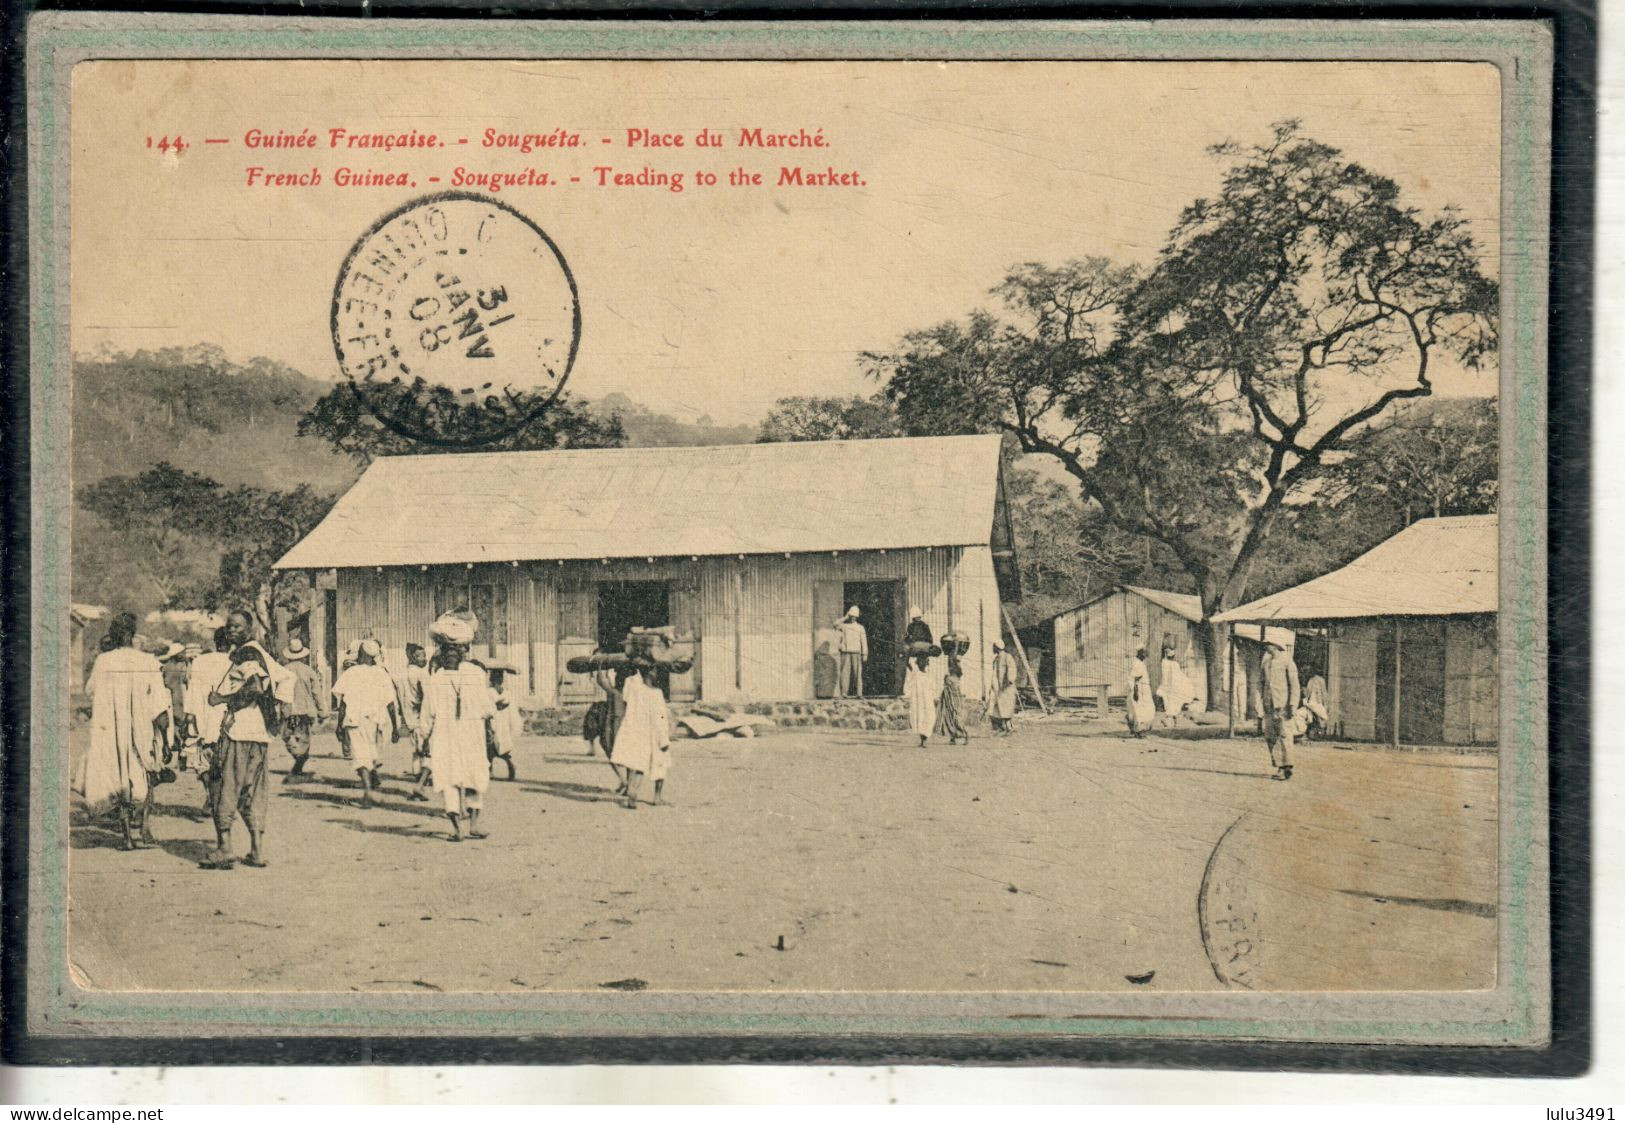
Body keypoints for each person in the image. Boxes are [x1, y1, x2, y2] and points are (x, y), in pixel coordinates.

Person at [203, 610, 293, 869]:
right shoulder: (261, 653)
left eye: (237, 627)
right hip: (259, 733)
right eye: (229, 627)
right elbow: (285, 680)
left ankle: (224, 848)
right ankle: (256, 851)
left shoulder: (247, 654)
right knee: (253, 790)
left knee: (224, 786)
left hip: (239, 731)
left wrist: (223, 700)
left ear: (250, 628)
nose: (231, 631)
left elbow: (254, 686)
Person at [74, 613, 170, 850]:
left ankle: (126, 836)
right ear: (131, 634)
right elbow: (160, 706)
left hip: (112, 731)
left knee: (118, 778)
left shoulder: (104, 661)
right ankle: (142, 829)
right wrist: (166, 738)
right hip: (141, 730)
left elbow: (91, 691)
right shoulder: (148, 662)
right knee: (142, 775)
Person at [420, 616, 496, 840]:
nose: (452, 654)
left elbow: (427, 715)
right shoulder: (469, 675)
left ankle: (462, 828)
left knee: (460, 778)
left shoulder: (461, 676)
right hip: (459, 733)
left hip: (456, 734)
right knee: (463, 777)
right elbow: (487, 708)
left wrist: (424, 736)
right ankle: (465, 827)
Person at [330, 638, 401, 808]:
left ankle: (368, 790)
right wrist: (396, 727)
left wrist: (339, 724)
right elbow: (390, 703)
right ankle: (371, 782)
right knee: (370, 754)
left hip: (355, 719)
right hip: (376, 721)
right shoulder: (382, 673)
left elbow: (343, 702)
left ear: (361, 654)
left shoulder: (351, 673)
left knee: (361, 756)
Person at [609, 659, 673, 809]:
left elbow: (625, 698)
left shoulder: (632, 686)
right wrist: (664, 739)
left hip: (637, 730)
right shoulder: (656, 693)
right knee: (661, 762)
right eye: (655, 671)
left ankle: (632, 789)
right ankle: (657, 797)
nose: (657, 674)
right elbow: (661, 718)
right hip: (654, 733)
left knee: (636, 763)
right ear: (650, 673)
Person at [185, 627, 232, 817]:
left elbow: (193, 691)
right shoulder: (234, 662)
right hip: (226, 719)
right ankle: (217, 798)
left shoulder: (199, 662)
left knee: (202, 763)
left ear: (215, 641)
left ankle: (211, 796)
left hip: (203, 718)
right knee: (225, 762)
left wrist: (189, 716)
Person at [278, 638, 327, 782]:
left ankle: (297, 765)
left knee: (289, 737)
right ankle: (298, 765)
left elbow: (277, 691)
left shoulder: (283, 671)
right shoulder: (309, 671)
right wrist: (322, 711)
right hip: (305, 711)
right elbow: (317, 693)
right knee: (303, 739)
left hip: (288, 710)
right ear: (303, 655)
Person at [1259, 640, 1301, 781]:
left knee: (1284, 735)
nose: (1265, 646)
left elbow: (1294, 685)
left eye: (1268, 643)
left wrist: (1292, 704)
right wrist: (1260, 703)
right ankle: (1280, 765)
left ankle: (1286, 767)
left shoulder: (1287, 662)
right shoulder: (1266, 663)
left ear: (1276, 645)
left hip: (1283, 705)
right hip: (1269, 705)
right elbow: (1262, 684)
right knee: (1270, 735)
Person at [396, 643, 432, 800]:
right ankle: (419, 786)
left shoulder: (401, 675)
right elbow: (427, 697)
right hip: (421, 716)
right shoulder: (422, 674)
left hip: (409, 718)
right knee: (428, 752)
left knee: (417, 751)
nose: (425, 658)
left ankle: (420, 781)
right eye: (420, 656)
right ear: (412, 657)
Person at [485, 663, 522, 781]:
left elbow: (510, 709)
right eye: (497, 677)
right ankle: (489, 771)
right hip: (497, 722)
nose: (498, 680)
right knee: (492, 748)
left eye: (499, 677)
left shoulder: (500, 692)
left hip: (500, 722)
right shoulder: (494, 692)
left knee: (497, 747)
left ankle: (509, 768)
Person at [1156, 642, 1198, 727]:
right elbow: (1177, 676)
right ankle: (1171, 721)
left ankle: (1171, 721)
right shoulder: (1173, 664)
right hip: (1171, 687)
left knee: (1170, 704)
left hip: (1168, 687)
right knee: (1172, 704)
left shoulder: (1164, 663)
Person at [933, 650, 970, 745]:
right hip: (951, 698)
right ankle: (953, 737)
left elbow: (949, 686)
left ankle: (963, 735)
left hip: (951, 699)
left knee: (953, 718)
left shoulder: (951, 678)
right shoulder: (956, 677)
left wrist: (945, 679)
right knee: (950, 717)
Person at [904, 650, 937, 748]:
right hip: (918, 701)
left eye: (927, 661)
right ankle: (923, 740)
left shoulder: (929, 674)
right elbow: (907, 663)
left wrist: (934, 697)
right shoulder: (916, 672)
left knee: (928, 717)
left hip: (927, 701)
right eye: (924, 661)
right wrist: (909, 652)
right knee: (920, 717)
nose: (926, 663)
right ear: (919, 663)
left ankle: (925, 739)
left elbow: (933, 688)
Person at [834, 606, 868, 699]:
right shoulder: (844, 626)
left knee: (857, 673)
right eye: (851, 616)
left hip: (856, 652)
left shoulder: (860, 627)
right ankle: (843, 693)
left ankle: (859, 694)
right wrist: (845, 617)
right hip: (846, 652)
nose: (853, 617)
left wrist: (865, 653)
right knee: (844, 673)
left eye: (854, 616)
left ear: (856, 617)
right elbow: (835, 624)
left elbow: (863, 641)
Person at [987, 640, 1018, 735]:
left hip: (1006, 687)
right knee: (995, 707)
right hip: (997, 687)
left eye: (994, 647)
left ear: (997, 647)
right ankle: (1001, 727)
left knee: (1005, 707)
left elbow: (1012, 669)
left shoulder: (1007, 657)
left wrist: (1009, 680)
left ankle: (1008, 728)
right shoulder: (996, 659)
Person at [1127, 648, 1156, 737]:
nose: (1145, 656)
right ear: (1140, 653)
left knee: (1145, 709)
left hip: (1144, 689)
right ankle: (1138, 731)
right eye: (1144, 654)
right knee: (1140, 710)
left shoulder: (1140, 663)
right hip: (1140, 690)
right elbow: (1135, 679)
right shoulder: (1137, 663)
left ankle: (1138, 730)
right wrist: (1136, 692)